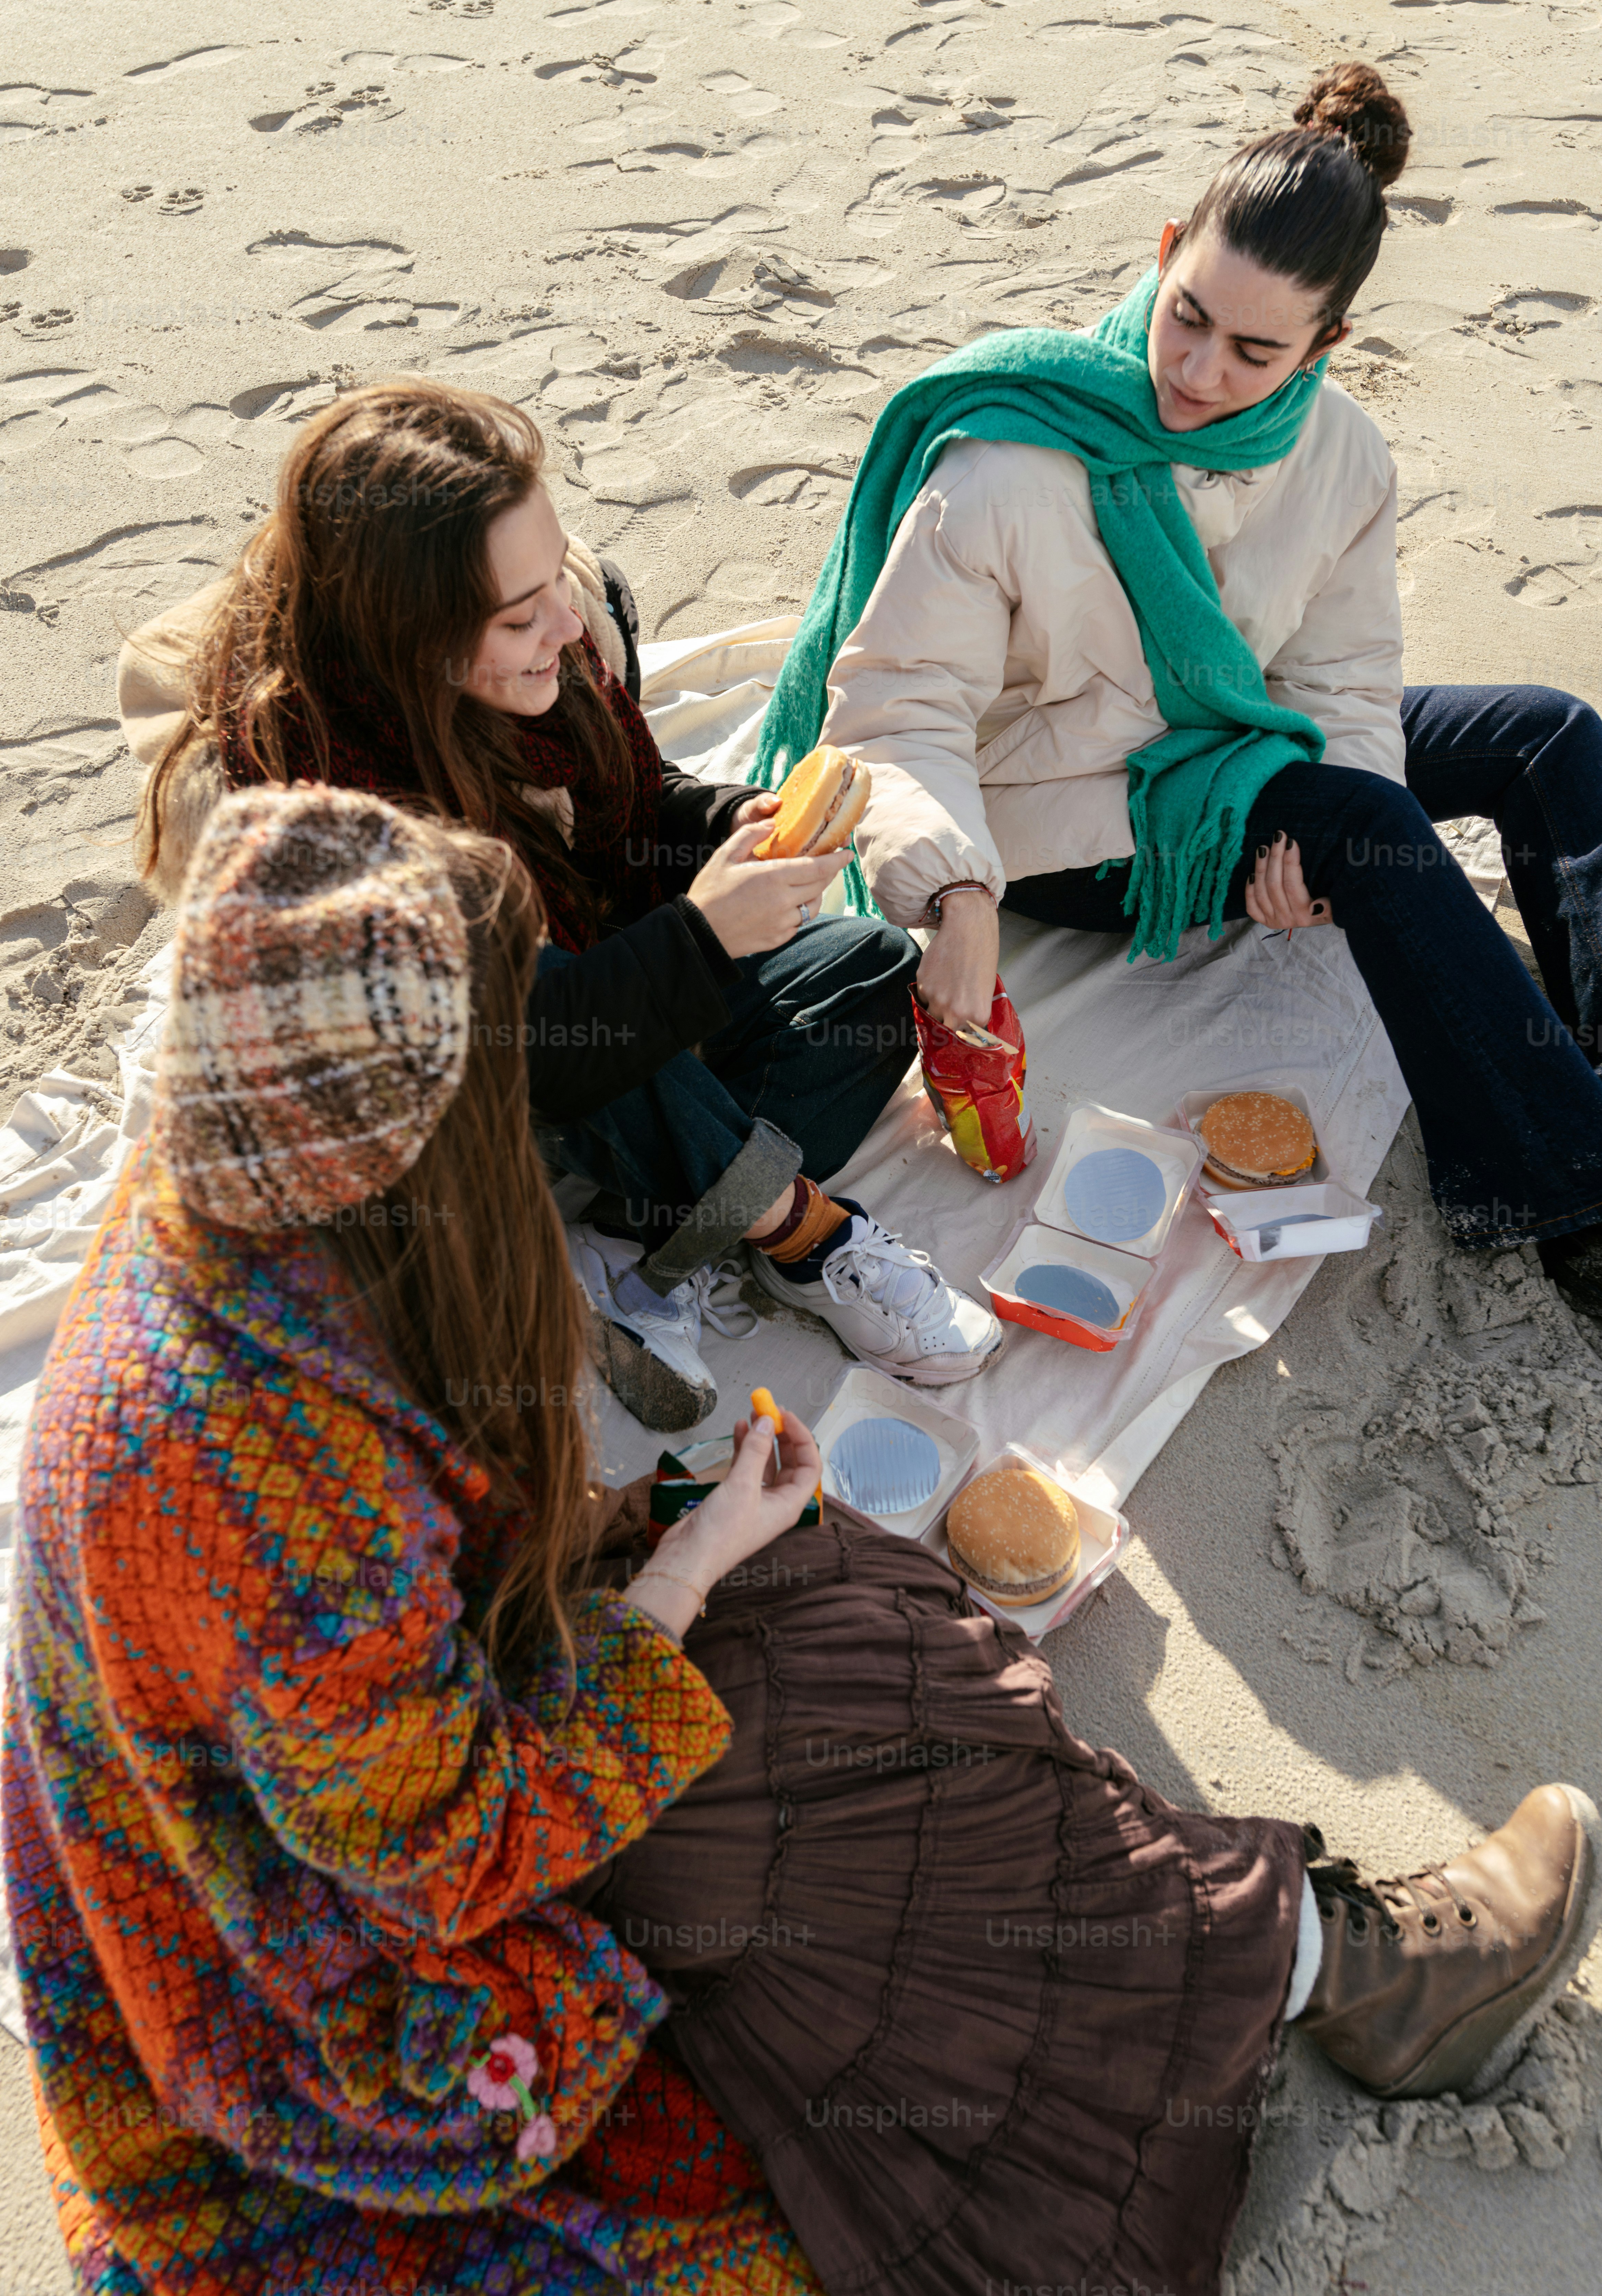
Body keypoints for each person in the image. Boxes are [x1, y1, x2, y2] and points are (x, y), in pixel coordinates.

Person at [7, 781, 1596, 2296]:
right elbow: (446, 1860)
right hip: (326, 1972)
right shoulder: (248, 1465)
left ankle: (1279, 1943)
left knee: (842, 1593)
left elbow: (432, 1589)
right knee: (825, 1780)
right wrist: (679, 1579)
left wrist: (668, 1539)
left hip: (403, 1763)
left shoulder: (244, 1189)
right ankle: (1336, 1978)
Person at [755, 62, 1602, 1305]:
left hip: (1240, 752)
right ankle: (1562, 1184)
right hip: (1067, 824)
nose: (1199, 372)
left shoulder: (1342, 453)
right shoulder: (1012, 454)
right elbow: (896, 708)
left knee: (1550, 738)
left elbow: (1344, 676)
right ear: (1164, 255)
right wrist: (959, 890)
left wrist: (1319, 860)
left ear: (1327, 345)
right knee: (1371, 822)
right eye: (1186, 315)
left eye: (1256, 350)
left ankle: (1572, 1058)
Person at [116, 382, 1001, 1433]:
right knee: (603, 1029)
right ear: (411, 636)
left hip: (587, 1002)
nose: (570, 623)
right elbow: (526, 1042)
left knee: (866, 974)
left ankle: (625, 1252)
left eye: (557, 582)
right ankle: (800, 1236)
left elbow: (628, 810)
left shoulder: (550, 649)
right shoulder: (326, 814)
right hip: (462, 1112)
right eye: (522, 614)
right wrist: (706, 937)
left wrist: (720, 821)